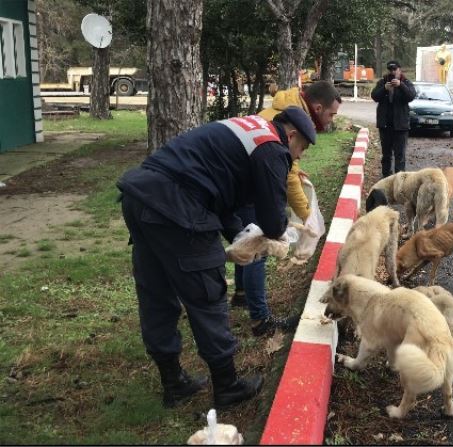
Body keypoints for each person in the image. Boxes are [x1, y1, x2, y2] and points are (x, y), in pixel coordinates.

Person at [117, 107, 316, 409]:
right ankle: (227, 385)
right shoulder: (273, 149)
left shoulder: (247, 128)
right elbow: (273, 221)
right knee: (207, 293)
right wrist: (279, 235)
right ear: (291, 136)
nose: (297, 157)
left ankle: (173, 382)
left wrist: (239, 236)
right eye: (300, 149)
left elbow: (218, 193)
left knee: (156, 293)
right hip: (178, 207)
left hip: (140, 197)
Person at [229, 81, 341, 337]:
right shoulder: (294, 122)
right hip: (248, 185)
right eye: (331, 114)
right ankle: (260, 320)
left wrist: (292, 169)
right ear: (318, 108)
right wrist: (308, 216)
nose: (331, 120)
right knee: (259, 245)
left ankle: (242, 294)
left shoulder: (283, 110)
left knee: (245, 235)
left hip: (243, 181)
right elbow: (287, 176)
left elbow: (288, 165)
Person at [371, 60, 416, 178]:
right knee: (386, 155)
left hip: (400, 126)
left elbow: (411, 96)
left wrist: (401, 85)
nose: (392, 72)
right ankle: (386, 177)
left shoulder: (405, 82)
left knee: (400, 155)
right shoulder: (383, 82)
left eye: (394, 69)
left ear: (399, 70)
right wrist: (384, 89)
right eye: (390, 70)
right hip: (385, 125)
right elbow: (374, 96)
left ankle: (399, 179)